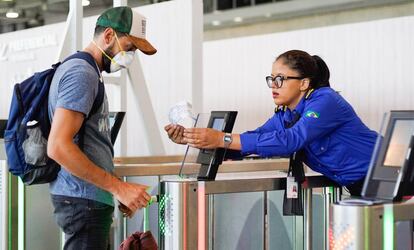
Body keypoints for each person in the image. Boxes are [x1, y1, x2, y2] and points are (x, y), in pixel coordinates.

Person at [165, 50, 378, 196]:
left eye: (280, 79)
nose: (273, 86)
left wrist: (223, 138)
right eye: (271, 79)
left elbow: (291, 140)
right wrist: (195, 139)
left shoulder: (325, 100)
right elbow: (253, 141)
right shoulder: (285, 115)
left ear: (304, 83)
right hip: (360, 185)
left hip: (390, 174)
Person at [47, 6, 156, 249]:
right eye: (129, 48)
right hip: (82, 202)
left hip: (87, 199)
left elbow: (89, 145)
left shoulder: (88, 71)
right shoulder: (82, 73)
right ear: (108, 36)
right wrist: (119, 188)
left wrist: (116, 190)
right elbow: (57, 147)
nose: (130, 56)